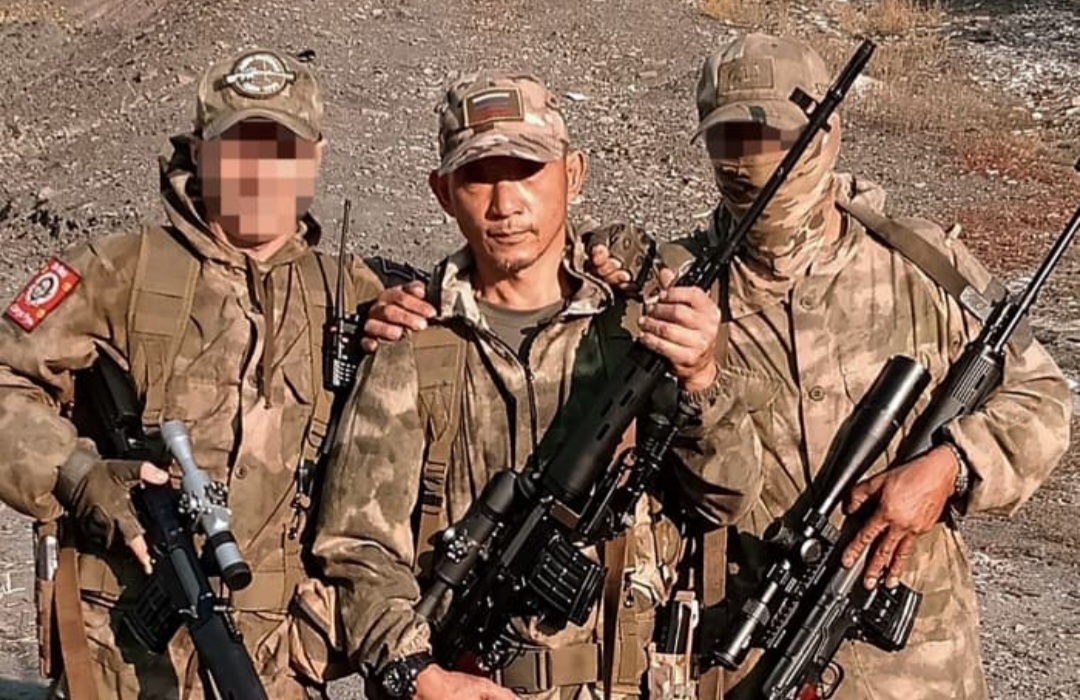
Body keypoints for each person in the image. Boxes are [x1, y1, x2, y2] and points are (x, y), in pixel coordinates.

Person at [587, 33, 1072, 700]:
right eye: (730, 138)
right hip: (750, 658)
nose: (750, 160)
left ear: (830, 131)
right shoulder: (680, 292)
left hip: (921, 671)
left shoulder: (921, 264)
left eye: (773, 135)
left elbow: (1042, 395)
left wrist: (952, 466)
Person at [313, 70, 763, 700]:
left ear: (573, 174)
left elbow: (726, 498)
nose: (505, 204)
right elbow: (357, 546)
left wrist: (701, 380)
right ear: (442, 192)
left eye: (526, 171)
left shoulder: (640, 327)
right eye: (478, 177)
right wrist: (420, 673)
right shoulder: (411, 348)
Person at [0, 48, 415, 700]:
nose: (259, 173)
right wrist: (80, 476)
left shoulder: (355, 294)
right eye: (238, 148)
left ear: (315, 157)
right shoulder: (118, 271)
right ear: (199, 151)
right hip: (122, 658)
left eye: (281, 150)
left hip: (277, 665)